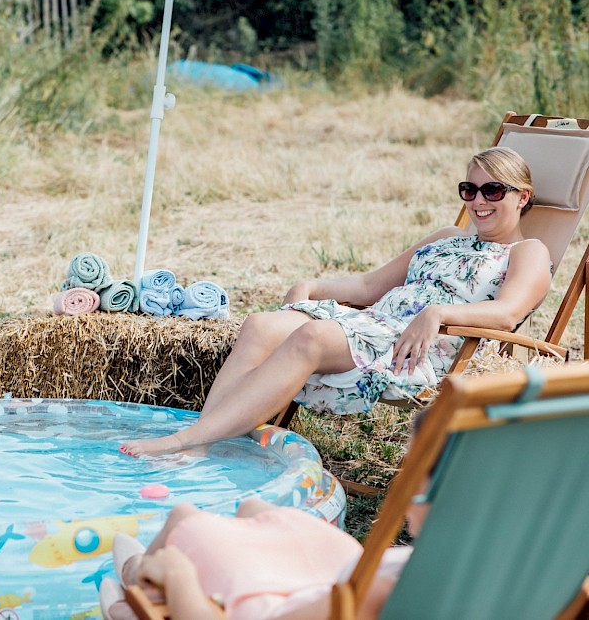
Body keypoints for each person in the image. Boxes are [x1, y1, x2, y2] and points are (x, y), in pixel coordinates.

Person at [120, 147, 552, 457]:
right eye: (470, 189)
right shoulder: (446, 238)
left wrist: (436, 313)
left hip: (418, 346)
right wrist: (311, 285)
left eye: (493, 191)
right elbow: (368, 286)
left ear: (522, 196)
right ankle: (203, 443)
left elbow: (509, 312)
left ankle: (185, 442)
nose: (478, 201)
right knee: (261, 325)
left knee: (311, 336)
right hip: (375, 324)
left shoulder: (527, 251)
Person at [100, 412, 436, 620]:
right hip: (341, 574)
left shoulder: (382, 595)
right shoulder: (455, 575)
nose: (399, 482)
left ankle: (138, 583)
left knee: (184, 518)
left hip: (296, 600)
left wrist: (179, 578)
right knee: (255, 511)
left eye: (409, 471)